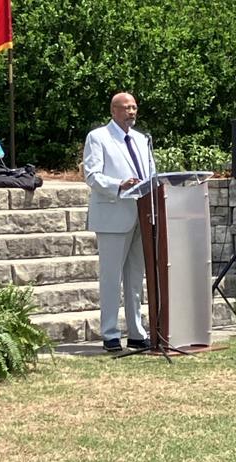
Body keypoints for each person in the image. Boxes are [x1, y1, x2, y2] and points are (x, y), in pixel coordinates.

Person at [83, 92, 154, 351]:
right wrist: (119, 185)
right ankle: (110, 333)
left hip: (141, 215)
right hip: (113, 215)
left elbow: (150, 174)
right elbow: (92, 175)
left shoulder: (142, 139)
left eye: (134, 107)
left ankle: (136, 332)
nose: (132, 112)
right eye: (126, 108)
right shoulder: (98, 137)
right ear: (114, 111)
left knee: (136, 278)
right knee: (111, 278)